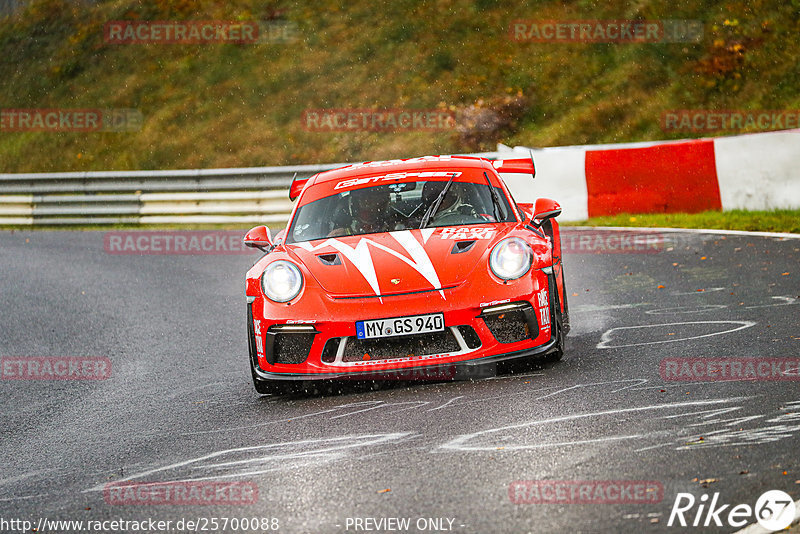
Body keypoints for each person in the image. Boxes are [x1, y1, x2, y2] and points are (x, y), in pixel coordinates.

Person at [329, 185, 394, 236]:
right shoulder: (339, 233)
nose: (367, 199)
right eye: (363, 195)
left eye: (372, 195)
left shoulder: (397, 225)